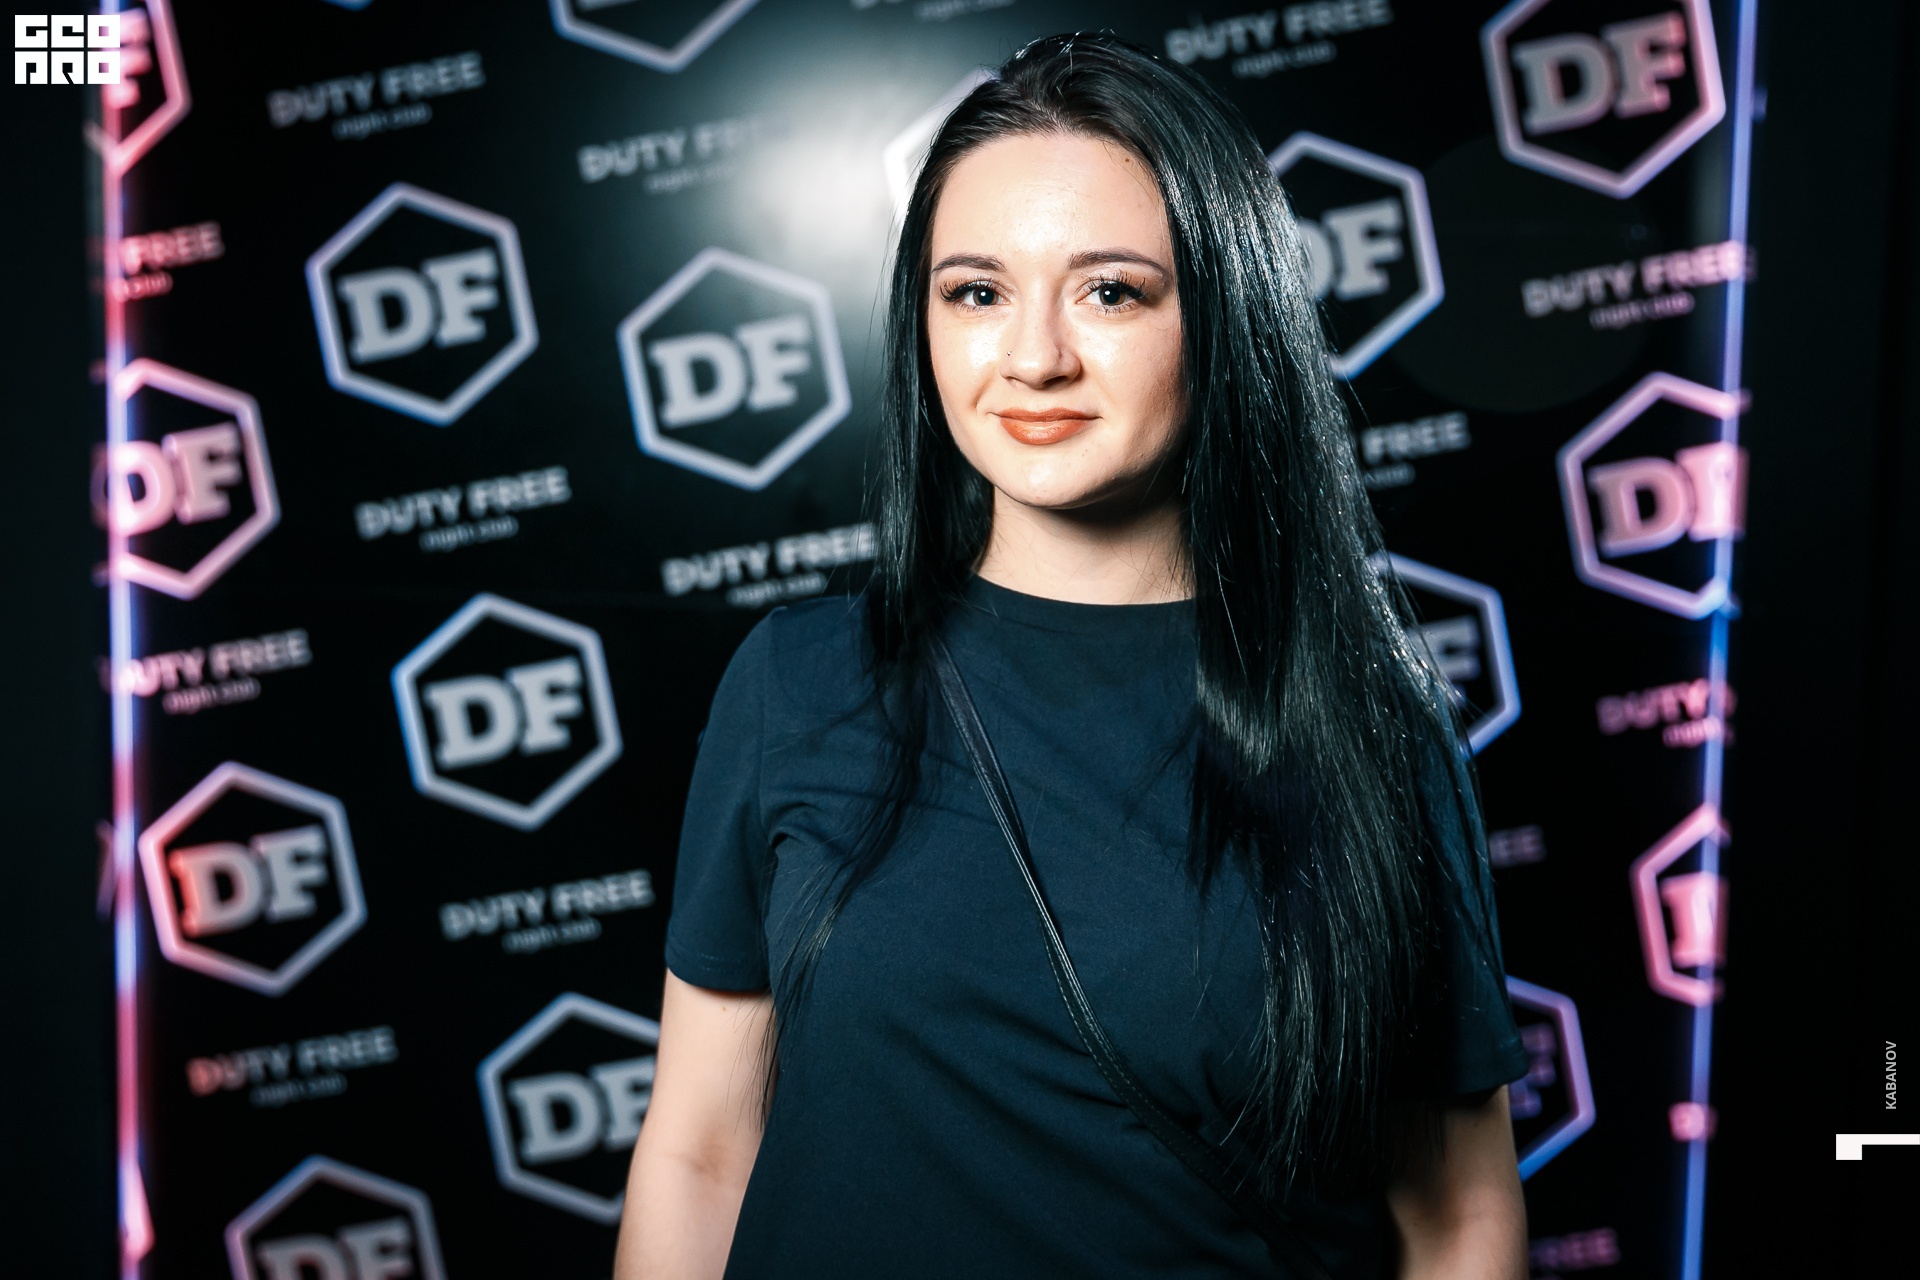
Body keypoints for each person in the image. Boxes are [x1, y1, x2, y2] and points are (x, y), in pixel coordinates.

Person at [615, 33, 1528, 1280]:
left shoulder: (1371, 727)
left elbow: (1459, 1217)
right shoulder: (798, 682)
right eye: (975, 292)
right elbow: (701, 1151)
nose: (1034, 356)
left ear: (1226, 316)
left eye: (1111, 292)